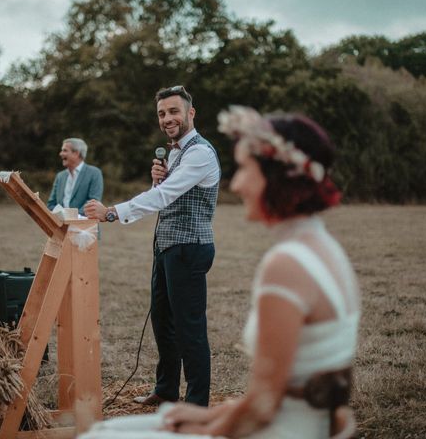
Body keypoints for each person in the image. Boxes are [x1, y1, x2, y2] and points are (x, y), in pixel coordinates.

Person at [80, 106, 360, 439]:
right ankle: (171, 392)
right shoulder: (325, 249)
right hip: (298, 423)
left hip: (280, 431)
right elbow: (279, 396)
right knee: (112, 428)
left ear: (278, 176)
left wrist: (202, 424)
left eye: (245, 169)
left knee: (98, 435)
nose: (237, 184)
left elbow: (261, 409)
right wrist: (220, 414)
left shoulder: (286, 265)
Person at [85, 85, 221, 407]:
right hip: (167, 247)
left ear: (190, 113)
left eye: (173, 111)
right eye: (161, 113)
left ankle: (197, 403)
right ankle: (167, 390)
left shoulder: (200, 152)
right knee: (162, 321)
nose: (167, 118)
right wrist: (157, 179)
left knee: (189, 328)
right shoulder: (175, 152)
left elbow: (163, 197)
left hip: (190, 248)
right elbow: (163, 193)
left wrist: (113, 212)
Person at [47, 138, 103, 216]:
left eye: (65, 150)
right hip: (61, 226)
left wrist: (71, 216)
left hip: (85, 226)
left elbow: (93, 203)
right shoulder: (60, 176)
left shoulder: (94, 173)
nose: (60, 154)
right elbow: (51, 204)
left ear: (76, 153)